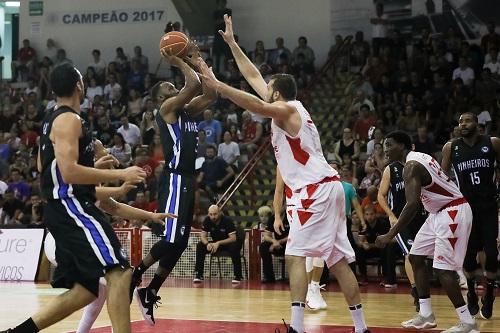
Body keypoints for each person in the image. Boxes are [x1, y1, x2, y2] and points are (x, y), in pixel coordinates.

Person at [198, 14, 370, 333]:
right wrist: (234, 45)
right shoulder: (291, 109)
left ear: (277, 94)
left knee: (294, 257)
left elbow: (258, 104)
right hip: (329, 186)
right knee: (337, 261)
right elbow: (253, 77)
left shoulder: (287, 110)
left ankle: (297, 327)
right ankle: (361, 328)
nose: (265, 91)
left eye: (269, 90)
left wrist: (219, 86)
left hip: (313, 191)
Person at [0, 64, 148, 333]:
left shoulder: (50, 120)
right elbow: (67, 172)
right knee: (120, 272)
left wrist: (94, 170)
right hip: (73, 207)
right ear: (79, 85)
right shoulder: (69, 120)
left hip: (62, 207)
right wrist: (122, 172)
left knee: (85, 290)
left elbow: (45, 167)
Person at [130, 45, 217, 325]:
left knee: (180, 243)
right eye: (168, 87)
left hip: (189, 180)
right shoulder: (167, 110)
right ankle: (134, 275)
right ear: (159, 98)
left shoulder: (188, 112)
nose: (172, 88)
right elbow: (192, 84)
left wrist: (197, 59)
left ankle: (150, 290)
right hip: (176, 178)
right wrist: (179, 58)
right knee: (170, 239)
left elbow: (211, 92)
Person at [376, 131, 478, 333]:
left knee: (443, 269)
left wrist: (390, 234)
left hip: (451, 211)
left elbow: (412, 205)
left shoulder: (411, 167)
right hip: (438, 212)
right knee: (415, 257)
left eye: (389, 145)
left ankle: (468, 322)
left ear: (403, 146)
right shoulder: (421, 157)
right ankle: (426, 315)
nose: (385, 149)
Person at [44, 180, 174, 333]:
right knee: (116, 279)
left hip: (78, 244)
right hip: (61, 242)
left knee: (99, 295)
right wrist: (120, 182)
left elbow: (117, 207)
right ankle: (138, 293)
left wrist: (151, 215)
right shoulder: (78, 184)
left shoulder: (95, 190)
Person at [441, 112, 500, 320]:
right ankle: (473, 294)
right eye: (460, 122)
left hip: (489, 206)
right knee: (467, 257)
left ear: (477, 123)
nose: (463, 124)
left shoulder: (492, 143)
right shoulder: (451, 147)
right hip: (466, 209)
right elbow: (442, 176)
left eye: (467, 121)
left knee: (492, 254)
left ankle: (490, 294)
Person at [378, 156, 427, 310]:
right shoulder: (390, 169)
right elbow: (381, 195)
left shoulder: (418, 165)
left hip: (421, 217)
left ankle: (422, 290)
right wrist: (391, 215)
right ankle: (416, 291)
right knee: (410, 254)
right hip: (401, 220)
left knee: (421, 256)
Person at [193, 204, 243, 283]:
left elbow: (233, 238)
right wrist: (207, 244)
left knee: (234, 248)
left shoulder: (227, 220)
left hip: (230, 242)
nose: (213, 217)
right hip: (217, 243)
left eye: (215, 214)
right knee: (200, 245)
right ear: (208, 214)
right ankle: (199, 274)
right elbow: (203, 236)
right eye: (211, 214)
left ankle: (238, 276)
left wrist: (218, 243)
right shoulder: (207, 220)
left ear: (220, 212)